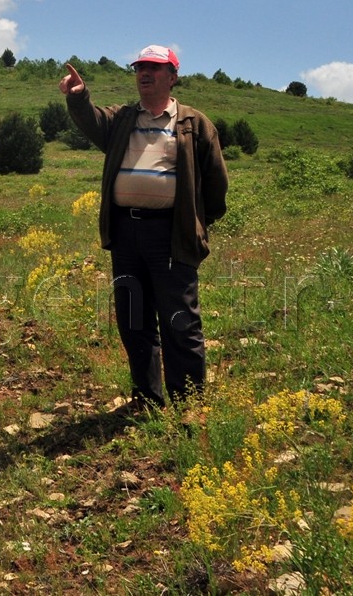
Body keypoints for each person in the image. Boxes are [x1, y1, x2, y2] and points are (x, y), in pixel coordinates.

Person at [60, 46, 228, 407]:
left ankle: (189, 406)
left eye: (154, 67)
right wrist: (78, 97)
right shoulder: (122, 119)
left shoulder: (194, 124)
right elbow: (90, 119)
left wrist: (196, 223)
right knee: (133, 320)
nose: (144, 73)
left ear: (172, 76)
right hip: (126, 234)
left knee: (179, 321)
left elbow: (216, 183)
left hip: (171, 236)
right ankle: (147, 398)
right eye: (140, 67)